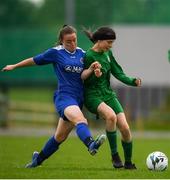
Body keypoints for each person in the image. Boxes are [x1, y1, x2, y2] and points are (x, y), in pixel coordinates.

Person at [1, 25, 106, 168]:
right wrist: (14, 66)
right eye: (68, 41)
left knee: (60, 137)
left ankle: (37, 161)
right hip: (64, 97)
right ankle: (91, 144)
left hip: (78, 98)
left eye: (74, 40)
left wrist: (92, 69)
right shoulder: (56, 53)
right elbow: (34, 60)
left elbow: (83, 75)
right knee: (81, 119)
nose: (72, 43)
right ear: (62, 41)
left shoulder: (82, 54)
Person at [81, 26, 141, 169]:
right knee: (111, 117)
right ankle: (115, 156)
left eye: (112, 42)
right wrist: (94, 74)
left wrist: (132, 81)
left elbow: (118, 73)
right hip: (92, 96)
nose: (110, 45)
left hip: (108, 94)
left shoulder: (108, 54)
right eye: (109, 42)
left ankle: (128, 163)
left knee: (125, 128)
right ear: (99, 40)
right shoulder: (88, 56)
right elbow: (83, 78)